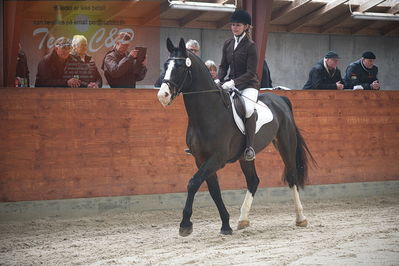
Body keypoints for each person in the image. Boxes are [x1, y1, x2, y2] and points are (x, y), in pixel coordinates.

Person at [217, 9, 259, 161]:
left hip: (248, 85)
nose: (234, 28)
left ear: (246, 27)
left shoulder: (250, 46)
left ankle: (249, 147)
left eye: (238, 25)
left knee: (248, 109)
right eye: (233, 25)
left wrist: (233, 82)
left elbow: (250, 72)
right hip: (229, 83)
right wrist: (218, 79)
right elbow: (222, 66)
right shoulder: (227, 43)